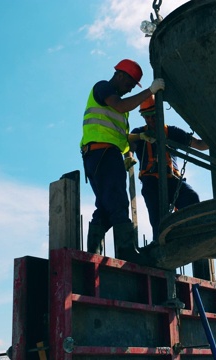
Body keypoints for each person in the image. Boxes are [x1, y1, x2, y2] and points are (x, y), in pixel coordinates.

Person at [80, 59, 164, 260]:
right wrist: (149, 91)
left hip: (100, 154)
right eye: (130, 84)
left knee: (105, 206)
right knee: (118, 202)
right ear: (120, 75)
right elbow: (120, 106)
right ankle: (127, 252)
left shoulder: (115, 102)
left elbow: (118, 137)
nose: (129, 89)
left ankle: (93, 252)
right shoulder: (104, 88)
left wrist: (139, 139)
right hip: (103, 154)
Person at [129, 95, 209, 245]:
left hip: (173, 180)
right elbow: (129, 145)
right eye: (147, 117)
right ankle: (160, 246)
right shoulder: (139, 133)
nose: (151, 120)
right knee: (158, 219)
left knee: (191, 199)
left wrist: (214, 138)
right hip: (151, 182)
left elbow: (199, 144)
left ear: (160, 113)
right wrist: (130, 153)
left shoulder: (172, 132)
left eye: (153, 115)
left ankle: (191, 235)